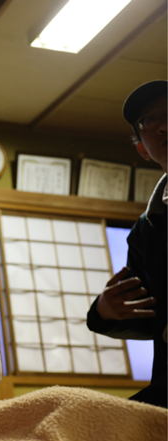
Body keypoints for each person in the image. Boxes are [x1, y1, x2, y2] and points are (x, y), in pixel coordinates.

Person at [87, 80, 167, 409]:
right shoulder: (147, 229)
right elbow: (152, 315)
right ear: (142, 148)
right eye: (150, 120)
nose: (163, 126)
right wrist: (106, 312)